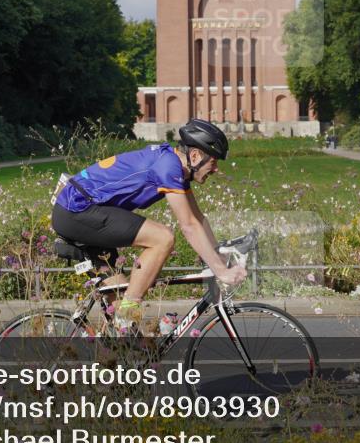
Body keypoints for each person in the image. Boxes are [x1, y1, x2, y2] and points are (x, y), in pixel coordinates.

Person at [51, 119, 247, 333]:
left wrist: (217, 255)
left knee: (124, 323)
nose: (216, 169)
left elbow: (198, 219)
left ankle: (114, 355)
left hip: (85, 213)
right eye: (214, 161)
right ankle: (126, 317)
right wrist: (220, 271)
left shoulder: (174, 167)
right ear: (195, 156)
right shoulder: (168, 166)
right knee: (163, 238)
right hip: (76, 210)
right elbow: (188, 226)